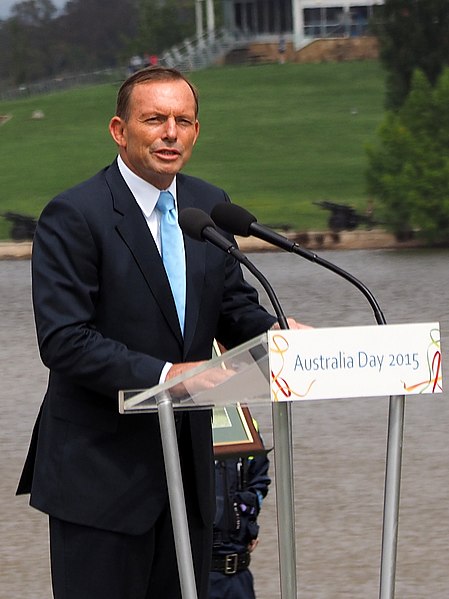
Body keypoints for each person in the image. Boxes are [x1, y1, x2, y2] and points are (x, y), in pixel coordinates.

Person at [17, 66, 305, 599]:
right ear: (119, 130)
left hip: (188, 481)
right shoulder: (75, 214)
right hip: (100, 478)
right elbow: (64, 339)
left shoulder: (206, 205)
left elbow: (234, 307)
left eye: (184, 120)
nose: (171, 133)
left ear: (196, 131)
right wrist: (169, 376)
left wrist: (281, 332)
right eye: (154, 119)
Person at [209, 446, 270, 599]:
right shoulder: (183, 426)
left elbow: (259, 483)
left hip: (239, 576)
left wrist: (247, 526)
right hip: (199, 575)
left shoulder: (246, 430)